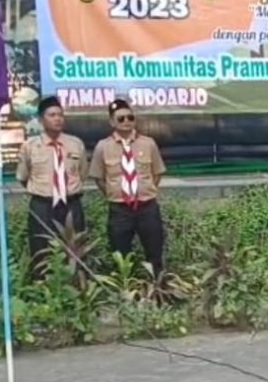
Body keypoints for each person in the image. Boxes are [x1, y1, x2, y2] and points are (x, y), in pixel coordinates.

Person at [89, 99, 168, 274]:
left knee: (154, 252)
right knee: (120, 254)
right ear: (112, 122)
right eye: (121, 119)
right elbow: (99, 178)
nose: (126, 122)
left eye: (130, 117)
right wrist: (115, 194)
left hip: (147, 207)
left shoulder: (148, 143)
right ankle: (126, 294)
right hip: (120, 210)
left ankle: (158, 291)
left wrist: (145, 191)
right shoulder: (103, 147)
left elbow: (157, 173)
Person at [16, 96, 88, 274]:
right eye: (52, 115)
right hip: (43, 205)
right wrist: (44, 191)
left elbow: (82, 173)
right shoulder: (30, 146)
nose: (58, 119)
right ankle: (43, 290)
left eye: (60, 115)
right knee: (41, 250)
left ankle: (77, 287)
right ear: (41, 120)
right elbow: (23, 177)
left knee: (76, 248)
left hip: (71, 204)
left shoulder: (75, 144)